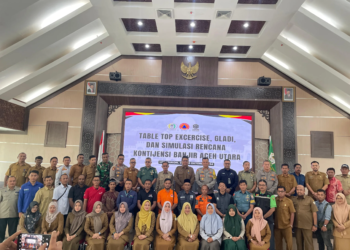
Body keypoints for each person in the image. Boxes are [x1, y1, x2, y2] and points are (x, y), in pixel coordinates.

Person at [291, 185, 318, 250]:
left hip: (307, 226)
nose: (299, 191)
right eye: (298, 190)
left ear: (304, 191)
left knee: (309, 244)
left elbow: (314, 212)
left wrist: (315, 225)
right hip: (297, 225)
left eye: (301, 190)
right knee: (299, 244)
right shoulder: (293, 200)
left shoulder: (310, 199)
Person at [254, 180, 276, 250]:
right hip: (257, 221)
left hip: (268, 220)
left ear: (266, 186)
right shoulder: (255, 194)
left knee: (269, 237)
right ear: (258, 186)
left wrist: (263, 217)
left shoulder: (271, 195)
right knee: (258, 237)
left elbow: (272, 209)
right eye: (260, 185)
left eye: (263, 185)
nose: (261, 186)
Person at [0, 176, 20, 242]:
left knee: (12, 233)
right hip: (2, 215)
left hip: (14, 215)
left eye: (14, 181)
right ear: (7, 182)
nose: (12, 182)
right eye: (10, 181)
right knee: (1, 232)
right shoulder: (2, 190)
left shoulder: (19, 190)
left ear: (16, 182)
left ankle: (11, 246)